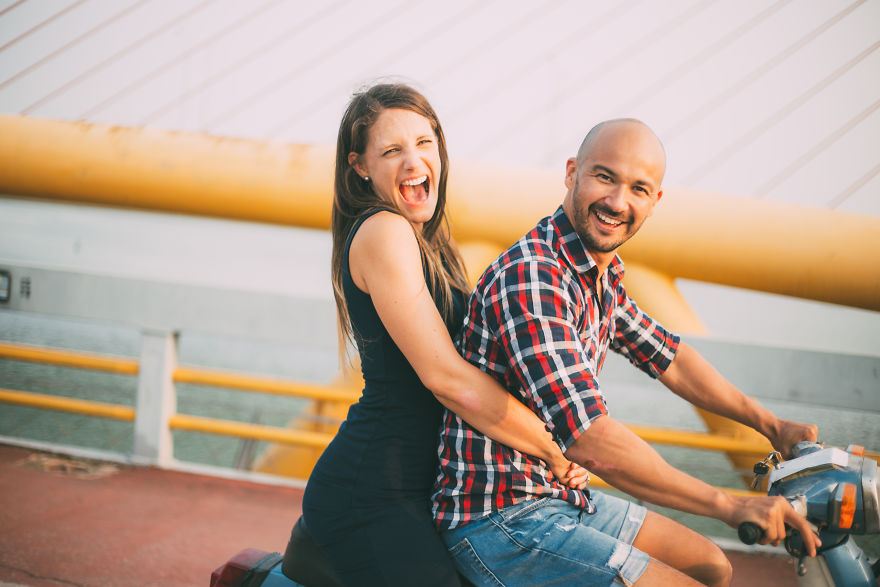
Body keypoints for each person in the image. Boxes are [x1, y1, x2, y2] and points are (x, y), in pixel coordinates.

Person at [432, 118, 822, 587]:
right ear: (572, 172)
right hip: (500, 519)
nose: (618, 202)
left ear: (655, 201)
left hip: (559, 498)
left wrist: (771, 424)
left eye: (638, 188)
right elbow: (590, 440)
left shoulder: (599, 273)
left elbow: (670, 358)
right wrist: (730, 504)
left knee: (712, 565)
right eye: (604, 177)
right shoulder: (535, 276)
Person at [299, 83, 588, 587]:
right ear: (359, 166)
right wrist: (555, 451)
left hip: (434, 489)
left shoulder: (430, 238)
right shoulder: (384, 230)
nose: (414, 161)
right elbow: (446, 378)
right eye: (392, 151)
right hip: (373, 491)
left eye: (425, 142)